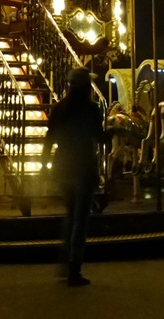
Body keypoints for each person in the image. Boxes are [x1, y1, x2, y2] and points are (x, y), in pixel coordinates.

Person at [41, 67, 104, 287]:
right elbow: (100, 137)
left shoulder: (60, 108)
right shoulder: (92, 109)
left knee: (71, 215)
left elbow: (49, 139)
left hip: (62, 168)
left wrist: (43, 167)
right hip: (84, 168)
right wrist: (116, 132)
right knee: (80, 220)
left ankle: (66, 260)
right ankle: (74, 268)